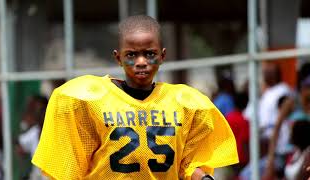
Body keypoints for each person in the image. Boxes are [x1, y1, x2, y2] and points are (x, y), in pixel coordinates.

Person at [32, 15, 238, 180]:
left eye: (149, 54)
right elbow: (70, 168)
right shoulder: (89, 101)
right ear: (118, 57)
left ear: (162, 56)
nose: (141, 62)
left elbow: (187, 164)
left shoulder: (185, 103)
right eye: (131, 55)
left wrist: (203, 178)